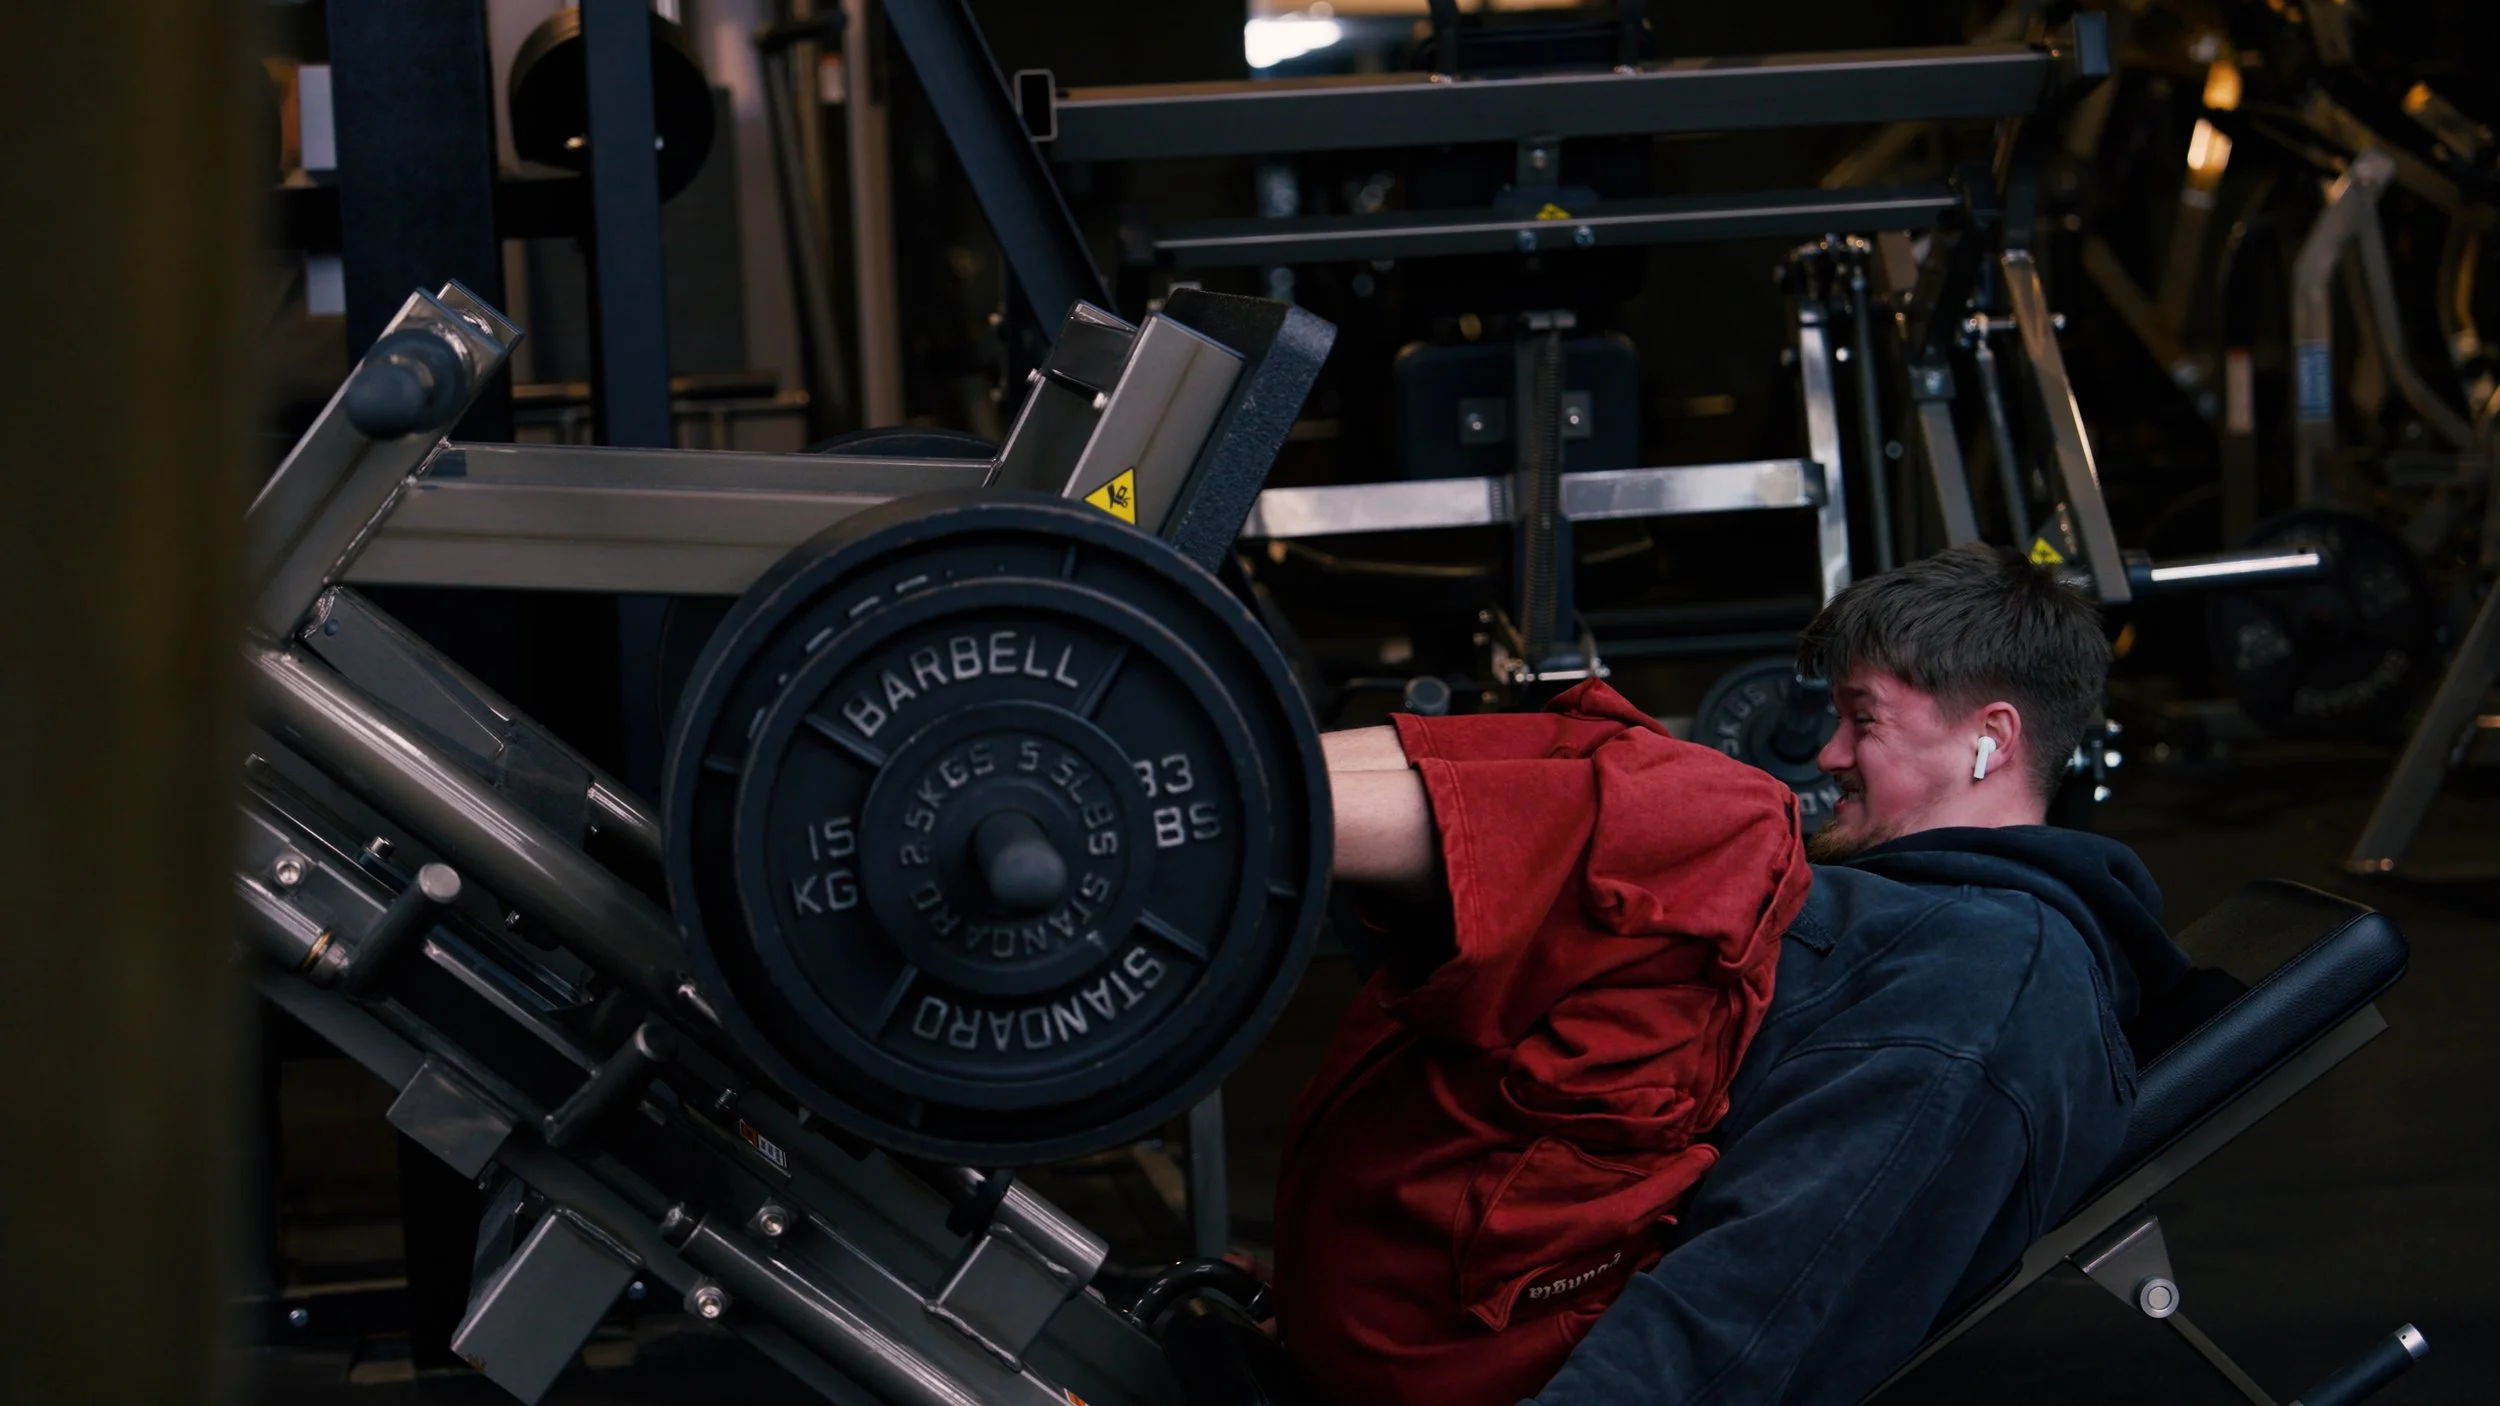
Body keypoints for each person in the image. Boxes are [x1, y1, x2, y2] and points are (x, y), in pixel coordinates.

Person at [1280, 543, 2190, 1405]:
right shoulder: (1920, 912)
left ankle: (1242, 798)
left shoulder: (1991, 979)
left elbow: (1760, 1299)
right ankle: (1249, 779)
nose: (1828, 755)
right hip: (1417, 1287)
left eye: (1863, 719)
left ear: (1990, 738)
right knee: (1627, 769)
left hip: (1503, 1354)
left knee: (1708, 810)